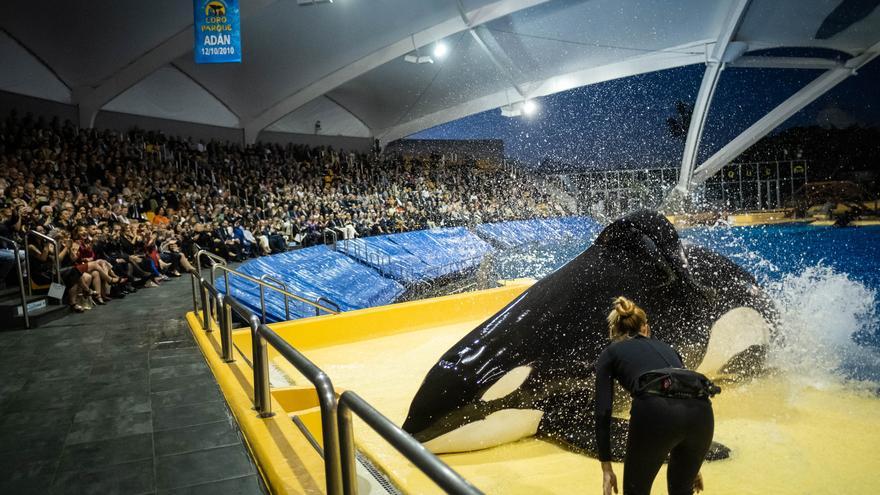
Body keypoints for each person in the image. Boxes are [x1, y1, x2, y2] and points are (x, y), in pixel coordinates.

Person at [595, 297, 716, 495]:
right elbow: (682, 391)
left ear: (614, 331)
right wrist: (693, 465)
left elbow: (603, 411)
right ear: (646, 328)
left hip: (656, 411)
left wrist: (606, 467)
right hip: (702, 414)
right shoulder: (670, 350)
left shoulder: (610, 353)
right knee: (681, 490)